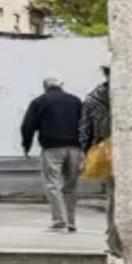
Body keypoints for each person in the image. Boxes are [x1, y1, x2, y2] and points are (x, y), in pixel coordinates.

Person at [21, 75, 85, 232]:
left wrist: (26, 146)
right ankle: (71, 221)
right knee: (71, 185)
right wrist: (86, 147)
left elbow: (27, 126)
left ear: (45, 86)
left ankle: (59, 220)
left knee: (53, 184)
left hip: (52, 148)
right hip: (75, 148)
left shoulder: (39, 101)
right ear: (62, 85)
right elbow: (85, 123)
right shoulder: (76, 101)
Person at [81, 65, 121, 257]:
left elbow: (85, 130)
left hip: (105, 151)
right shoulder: (127, 93)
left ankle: (112, 238)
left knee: (113, 197)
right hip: (126, 148)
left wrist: (87, 151)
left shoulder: (93, 98)